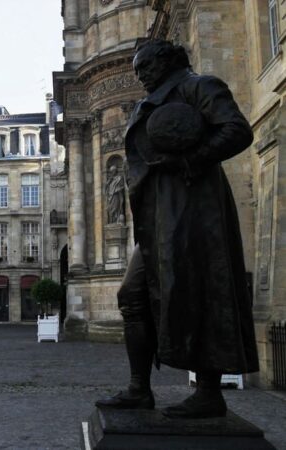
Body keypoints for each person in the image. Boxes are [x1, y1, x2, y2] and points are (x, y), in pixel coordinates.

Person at [95, 40, 259, 418]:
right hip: (157, 211)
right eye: (136, 69)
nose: (140, 75)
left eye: (145, 66)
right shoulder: (149, 100)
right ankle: (139, 388)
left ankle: (208, 392)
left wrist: (192, 159)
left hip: (194, 208)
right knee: (131, 294)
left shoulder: (199, 86)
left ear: (167, 62)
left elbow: (237, 130)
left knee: (200, 289)